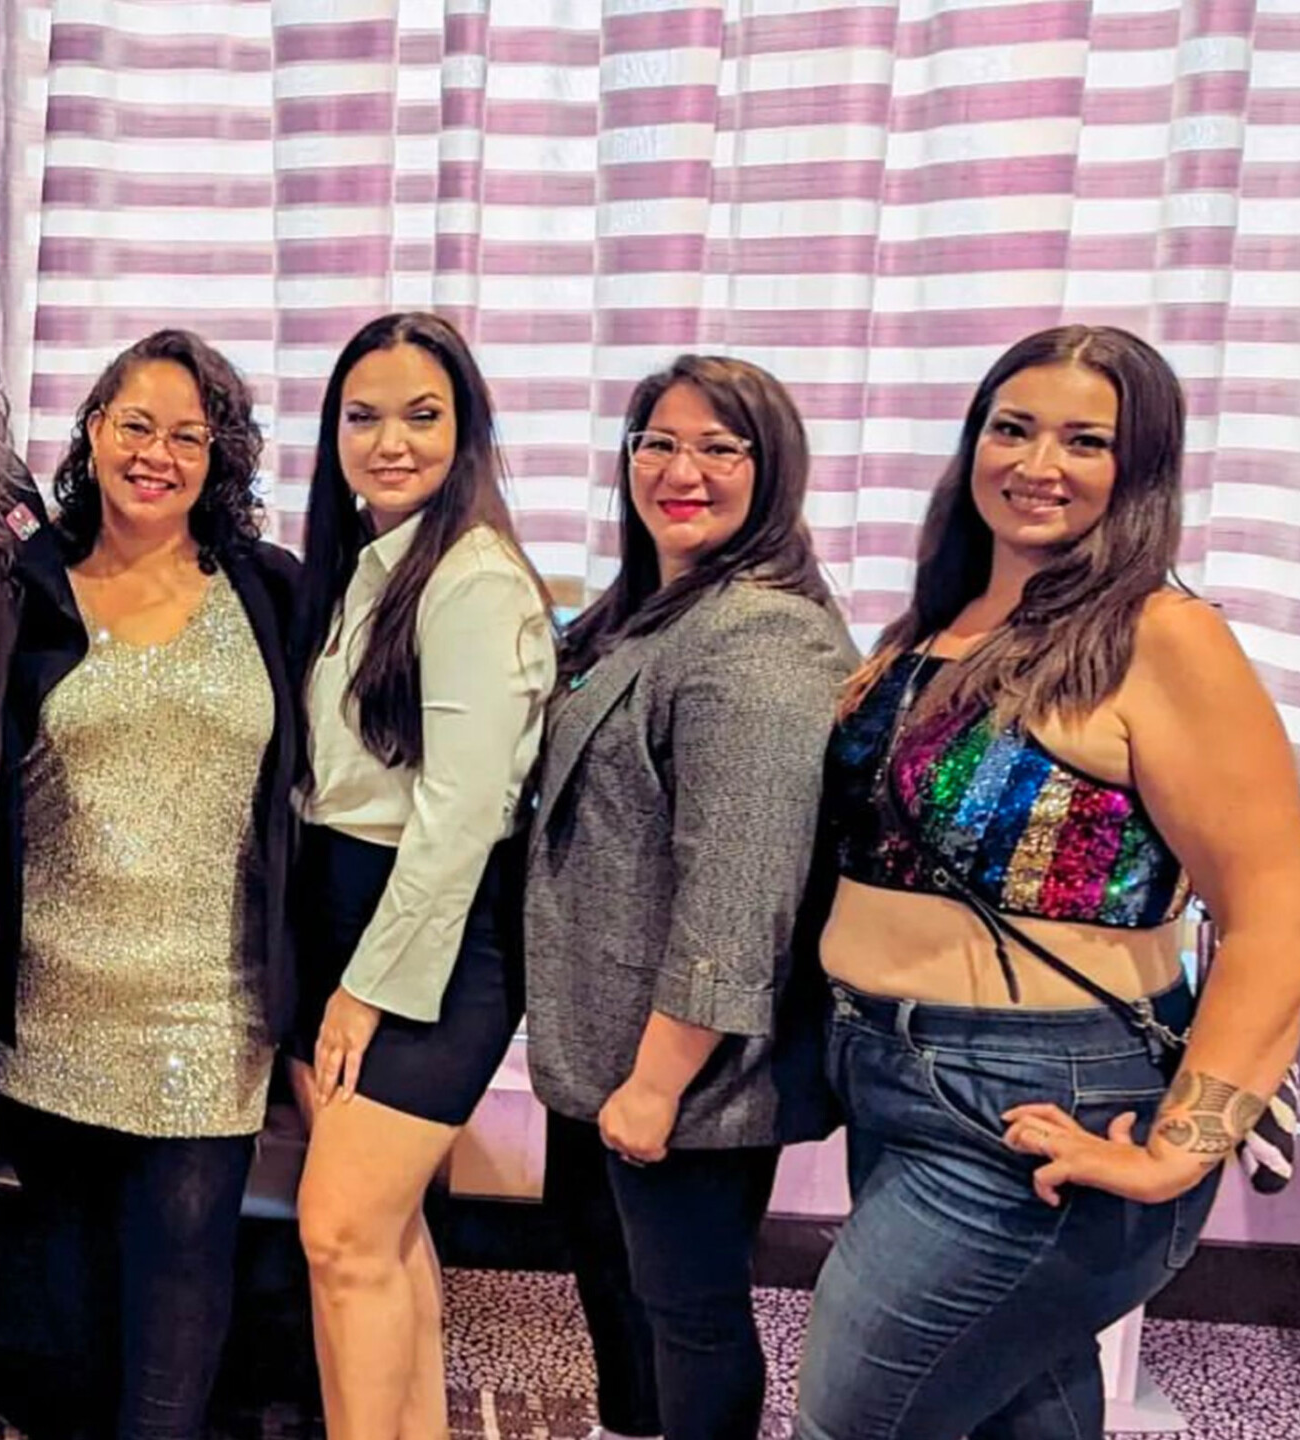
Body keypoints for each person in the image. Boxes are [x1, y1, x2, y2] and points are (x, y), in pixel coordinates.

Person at [796, 325, 1300, 1439]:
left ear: (1140, 471)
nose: (1037, 465)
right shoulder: (940, 625)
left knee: (852, 1416)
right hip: (886, 1066)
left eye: (1085, 441)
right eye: (1012, 428)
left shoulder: (1160, 637)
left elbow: (1277, 916)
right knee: (1017, 1403)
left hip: (1038, 1088)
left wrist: (1189, 1142)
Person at [522, 356, 853, 1440]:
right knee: (618, 1293)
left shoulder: (758, 636)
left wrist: (659, 1083)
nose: (682, 470)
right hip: (606, 1046)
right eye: (658, 442)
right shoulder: (653, 610)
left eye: (721, 446)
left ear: (774, 470)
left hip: (685, 1067)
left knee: (690, 1318)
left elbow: (739, 887)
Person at [0, 330, 303, 1440]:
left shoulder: (266, 591)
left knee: (176, 1330)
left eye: (189, 434)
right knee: (69, 1333)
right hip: (50, 1011)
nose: (158, 454)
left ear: (219, 457)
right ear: (90, 433)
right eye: (136, 425)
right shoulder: (24, 590)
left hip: (206, 1013)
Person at [286, 312, 553, 1440]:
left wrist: (365, 989)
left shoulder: (472, 579)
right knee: (384, 1238)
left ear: (467, 430)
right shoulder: (366, 564)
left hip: (427, 939)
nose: (389, 440)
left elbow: (455, 824)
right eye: (363, 415)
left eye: (421, 415)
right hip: (338, 905)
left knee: (339, 1237)